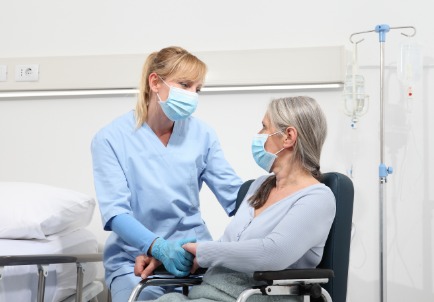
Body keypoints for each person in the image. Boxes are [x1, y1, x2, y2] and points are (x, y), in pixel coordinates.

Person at [135, 96, 336, 302]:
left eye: (264, 127)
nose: (259, 135)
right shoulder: (259, 186)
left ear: (288, 136)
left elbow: (272, 253)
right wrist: (178, 257)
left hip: (256, 296)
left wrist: (203, 250)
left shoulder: (317, 198)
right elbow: (228, 245)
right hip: (209, 293)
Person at [91, 46, 243, 302]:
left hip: (192, 259)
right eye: (185, 84)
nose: (192, 95)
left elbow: (236, 198)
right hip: (135, 262)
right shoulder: (110, 138)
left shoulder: (202, 135)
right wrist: (157, 248)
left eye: (198, 89)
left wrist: (281, 192)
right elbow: (116, 213)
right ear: (155, 82)